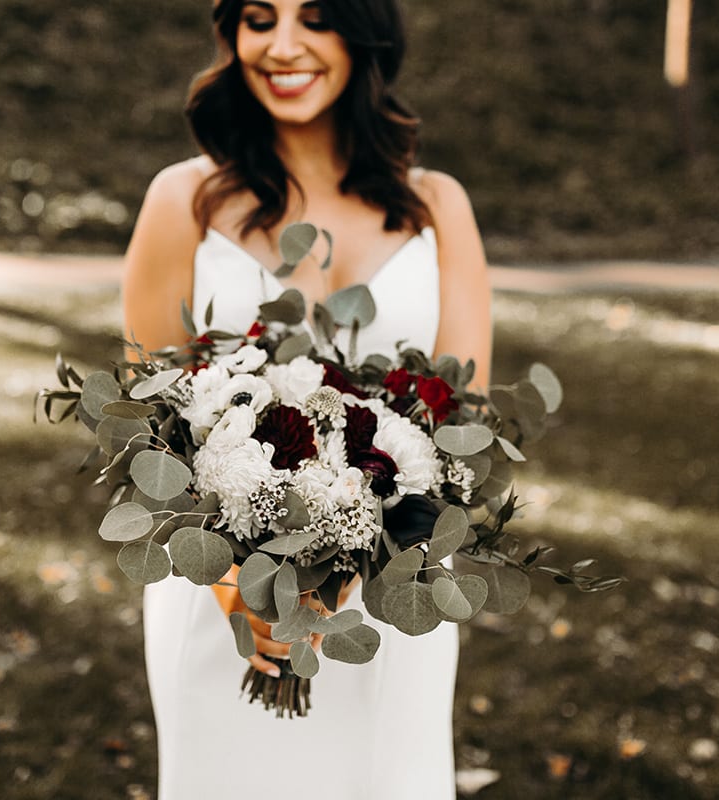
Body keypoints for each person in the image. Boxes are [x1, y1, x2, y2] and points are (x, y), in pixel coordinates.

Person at [122, 0, 492, 797]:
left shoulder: (437, 206)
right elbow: (151, 424)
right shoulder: (183, 200)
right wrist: (246, 591)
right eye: (259, 18)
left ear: (363, 33)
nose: (283, 46)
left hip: (398, 591)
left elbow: (465, 419)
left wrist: (362, 562)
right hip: (221, 588)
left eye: (315, 17)